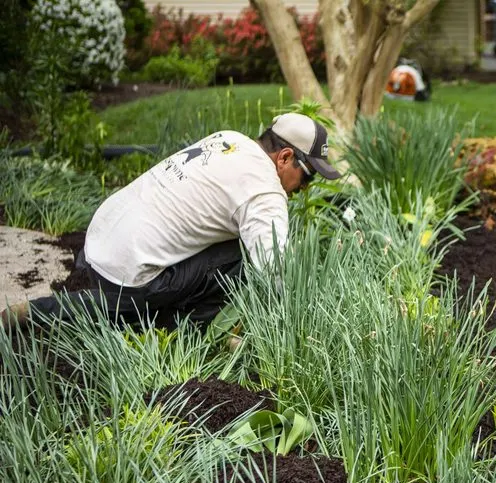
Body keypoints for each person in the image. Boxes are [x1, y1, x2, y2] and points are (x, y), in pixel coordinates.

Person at [1, 113, 340, 331]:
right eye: (307, 176)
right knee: (243, 258)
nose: (303, 189)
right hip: (128, 275)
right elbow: (275, 273)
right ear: (284, 157)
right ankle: (182, 328)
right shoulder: (265, 192)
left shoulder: (230, 140)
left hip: (98, 243)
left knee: (232, 244)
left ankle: (147, 310)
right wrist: (300, 326)